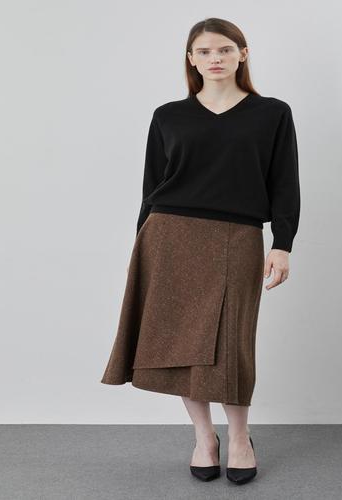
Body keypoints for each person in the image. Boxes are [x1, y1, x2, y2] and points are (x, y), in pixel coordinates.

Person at [100, 17, 300, 485]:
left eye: (225, 49)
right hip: (170, 236)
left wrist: (283, 243)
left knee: (232, 346)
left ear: (242, 54)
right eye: (205, 51)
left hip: (238, 236)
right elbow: (151, 186)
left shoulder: (271, 113)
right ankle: (204, 437)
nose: (215, 58)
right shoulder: (168, 116)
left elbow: (284, 182)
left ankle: (239, 437)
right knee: (181, 344)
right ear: (191, 59)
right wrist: (140, 246)